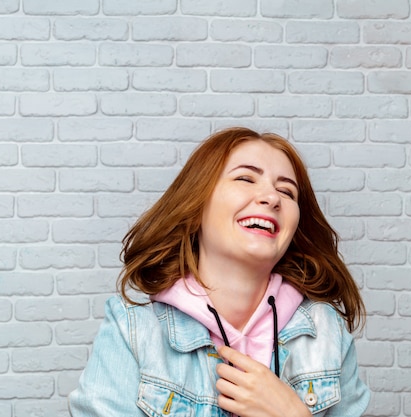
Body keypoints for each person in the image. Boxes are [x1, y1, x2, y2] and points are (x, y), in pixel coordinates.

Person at [69, 127, 370, 416]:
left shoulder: (327, 332)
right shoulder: (133, 331)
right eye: (245, 179)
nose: (272, 197)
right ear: (196, 203)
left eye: (287, 191)